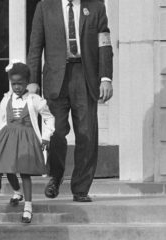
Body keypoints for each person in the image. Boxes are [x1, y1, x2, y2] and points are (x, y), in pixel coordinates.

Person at [27, 0, 113, 202]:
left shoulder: (96, 6)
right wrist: (32, 81)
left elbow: (104, 45)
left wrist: (106, 78)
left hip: (85, 76)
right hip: (56, 79)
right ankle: (55, 177)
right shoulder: (44, 7)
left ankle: (81, 188)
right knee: (56, 132)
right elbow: (35, 46)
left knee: (87, 134)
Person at [0, 62, 55, 223]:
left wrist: (47, 136)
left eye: (20, 83)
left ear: (27, 83)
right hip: (9, 137)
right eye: (14, 84)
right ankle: (17, 191)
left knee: (25, 172)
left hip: (27, 139)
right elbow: (3, 118)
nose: (17, 87)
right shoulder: (7, 100)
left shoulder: (35, 100)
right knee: (8, 168)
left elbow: (49, 118)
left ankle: (28, 206)